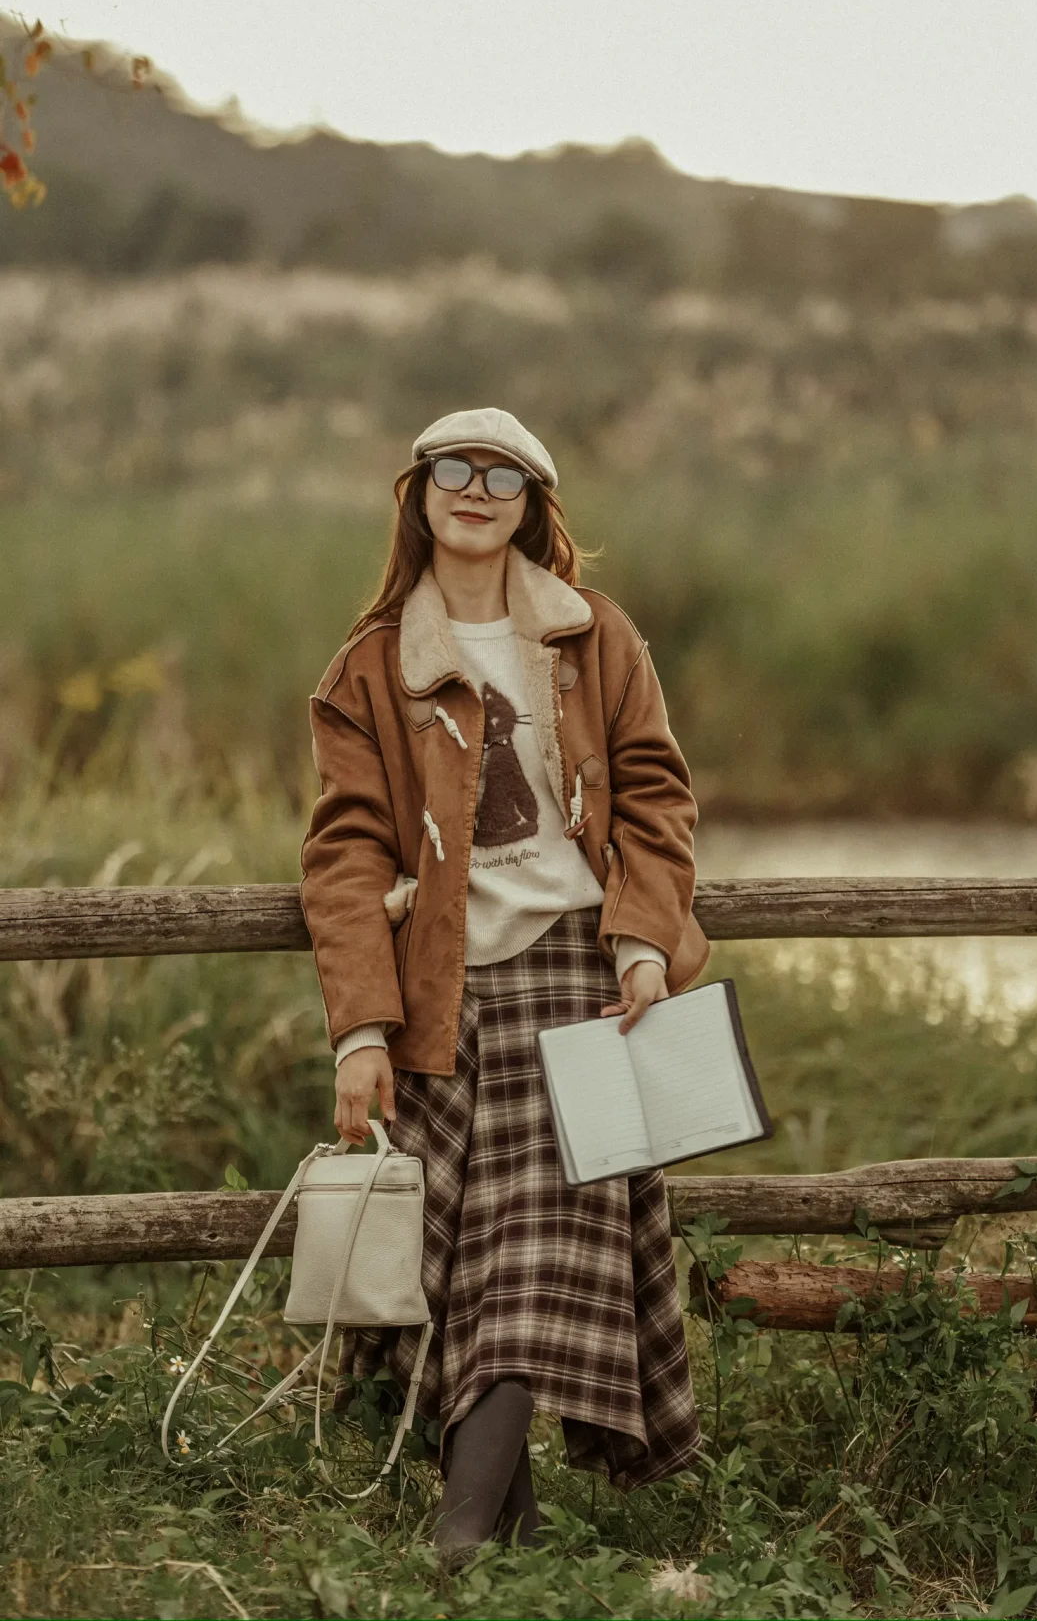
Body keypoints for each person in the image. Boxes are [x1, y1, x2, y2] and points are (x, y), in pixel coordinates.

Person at [299, 406, 712, 1562]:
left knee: (537, 1262)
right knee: (462, 1289)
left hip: (580, 985)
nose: (473, 489)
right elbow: (342, 858)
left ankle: (458, 1543)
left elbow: (658, 799)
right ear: (418, 491)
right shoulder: (370, 666)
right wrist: (361, 1030)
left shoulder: (594, 640)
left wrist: (641, 937)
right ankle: (515, 1553)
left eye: (502, 476)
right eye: (451, 469)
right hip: (442, 999)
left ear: (534, 504)